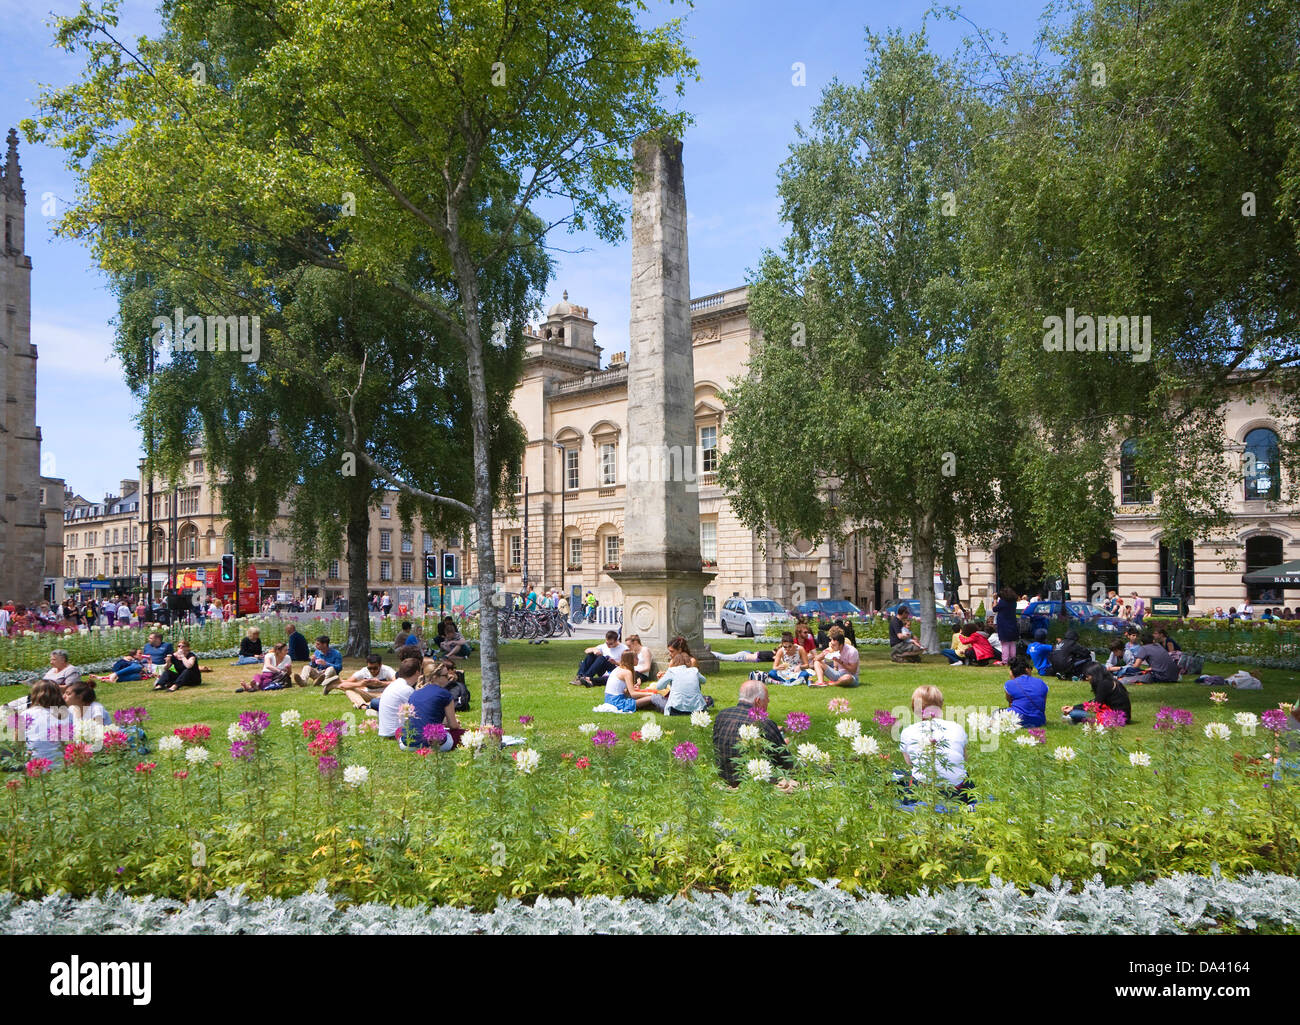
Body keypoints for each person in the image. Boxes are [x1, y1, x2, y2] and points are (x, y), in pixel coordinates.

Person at [712, 679, 795, 789]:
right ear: (757, 701)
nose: (768, 701)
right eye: (767, 699)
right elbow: (786, 763)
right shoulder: (764, 723)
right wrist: (785, 745)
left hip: (725, 776)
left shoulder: (722, 716)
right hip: (755, 779)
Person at [896, 685, 972, 802]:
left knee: (903, 777)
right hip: (958, 790)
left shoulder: (908, 732)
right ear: (940, 705)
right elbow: (965, 760)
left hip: (924, 789)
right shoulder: (957, 728)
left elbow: (910, 763)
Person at [402, 663, 461, 752]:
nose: (448, 677)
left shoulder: (414, 693)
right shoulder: (445, 694)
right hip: (433, 743)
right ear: (434, 677)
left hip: (408, 744)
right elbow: (453, 725)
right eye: (445, 675)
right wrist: (457, 724)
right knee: (460, 734)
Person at [1064, 662, 1133, 725]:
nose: (1087, 679)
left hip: (1117, 718)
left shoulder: (1104, 684)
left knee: (1074, 714)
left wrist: (1073, 708)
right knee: (1074, 712)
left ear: (1094, 675)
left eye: (1088, 676)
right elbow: (1096, 701)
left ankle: (1078, 720)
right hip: (1122, 716)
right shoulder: (1109, 681)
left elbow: (1095, 706)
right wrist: (1074, 707)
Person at [23, 680, 69, 767]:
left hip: (33, 765)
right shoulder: (64, 714)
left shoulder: (24, 714)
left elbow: (18, 743)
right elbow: (65, 743)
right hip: (58, 764)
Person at [326, 652, 397, 708]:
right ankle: (364, 706)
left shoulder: (387, 670)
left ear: (380, 665)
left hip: (383, 695)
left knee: (392, 697)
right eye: (370, 668)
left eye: (375, 668)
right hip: (368, 694)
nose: (372, 671)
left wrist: (381, 683)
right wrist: (361, 684)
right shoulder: (364, 671)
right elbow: (346, 684)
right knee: (348, 689)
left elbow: (398, 682)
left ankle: (366, 705)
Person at [377, 656, 421, 739]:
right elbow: (420, 712)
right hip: (396, 734)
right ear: (417, 672)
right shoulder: (407, 690)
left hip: (386, 732)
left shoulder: (394, 685)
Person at [1003, 654, 1049, 727]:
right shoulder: (1041, 683)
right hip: (1039, 721)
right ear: (1027, 670)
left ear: (1011, 672)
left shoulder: (1009, 684)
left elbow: (1010, 702)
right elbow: (1043, 703)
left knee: (996, 712)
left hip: (1017, 719)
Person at [660, 651, 709, 716]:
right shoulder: (694, 670)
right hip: (697, 709)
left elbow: (659, 686)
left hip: (676, 709)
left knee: (655, 697)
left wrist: (664, 680)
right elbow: (704, 681)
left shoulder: (672, 671)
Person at [993, 587, 1020, 664]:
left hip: (1003, 625)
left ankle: (1005, 661)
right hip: (1013, 624)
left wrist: (995, 599)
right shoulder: (1014, 602)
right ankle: (1013, 660)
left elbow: (994, 609)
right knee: (1012, 643)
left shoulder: (1002, 602)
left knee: (1004, 644)